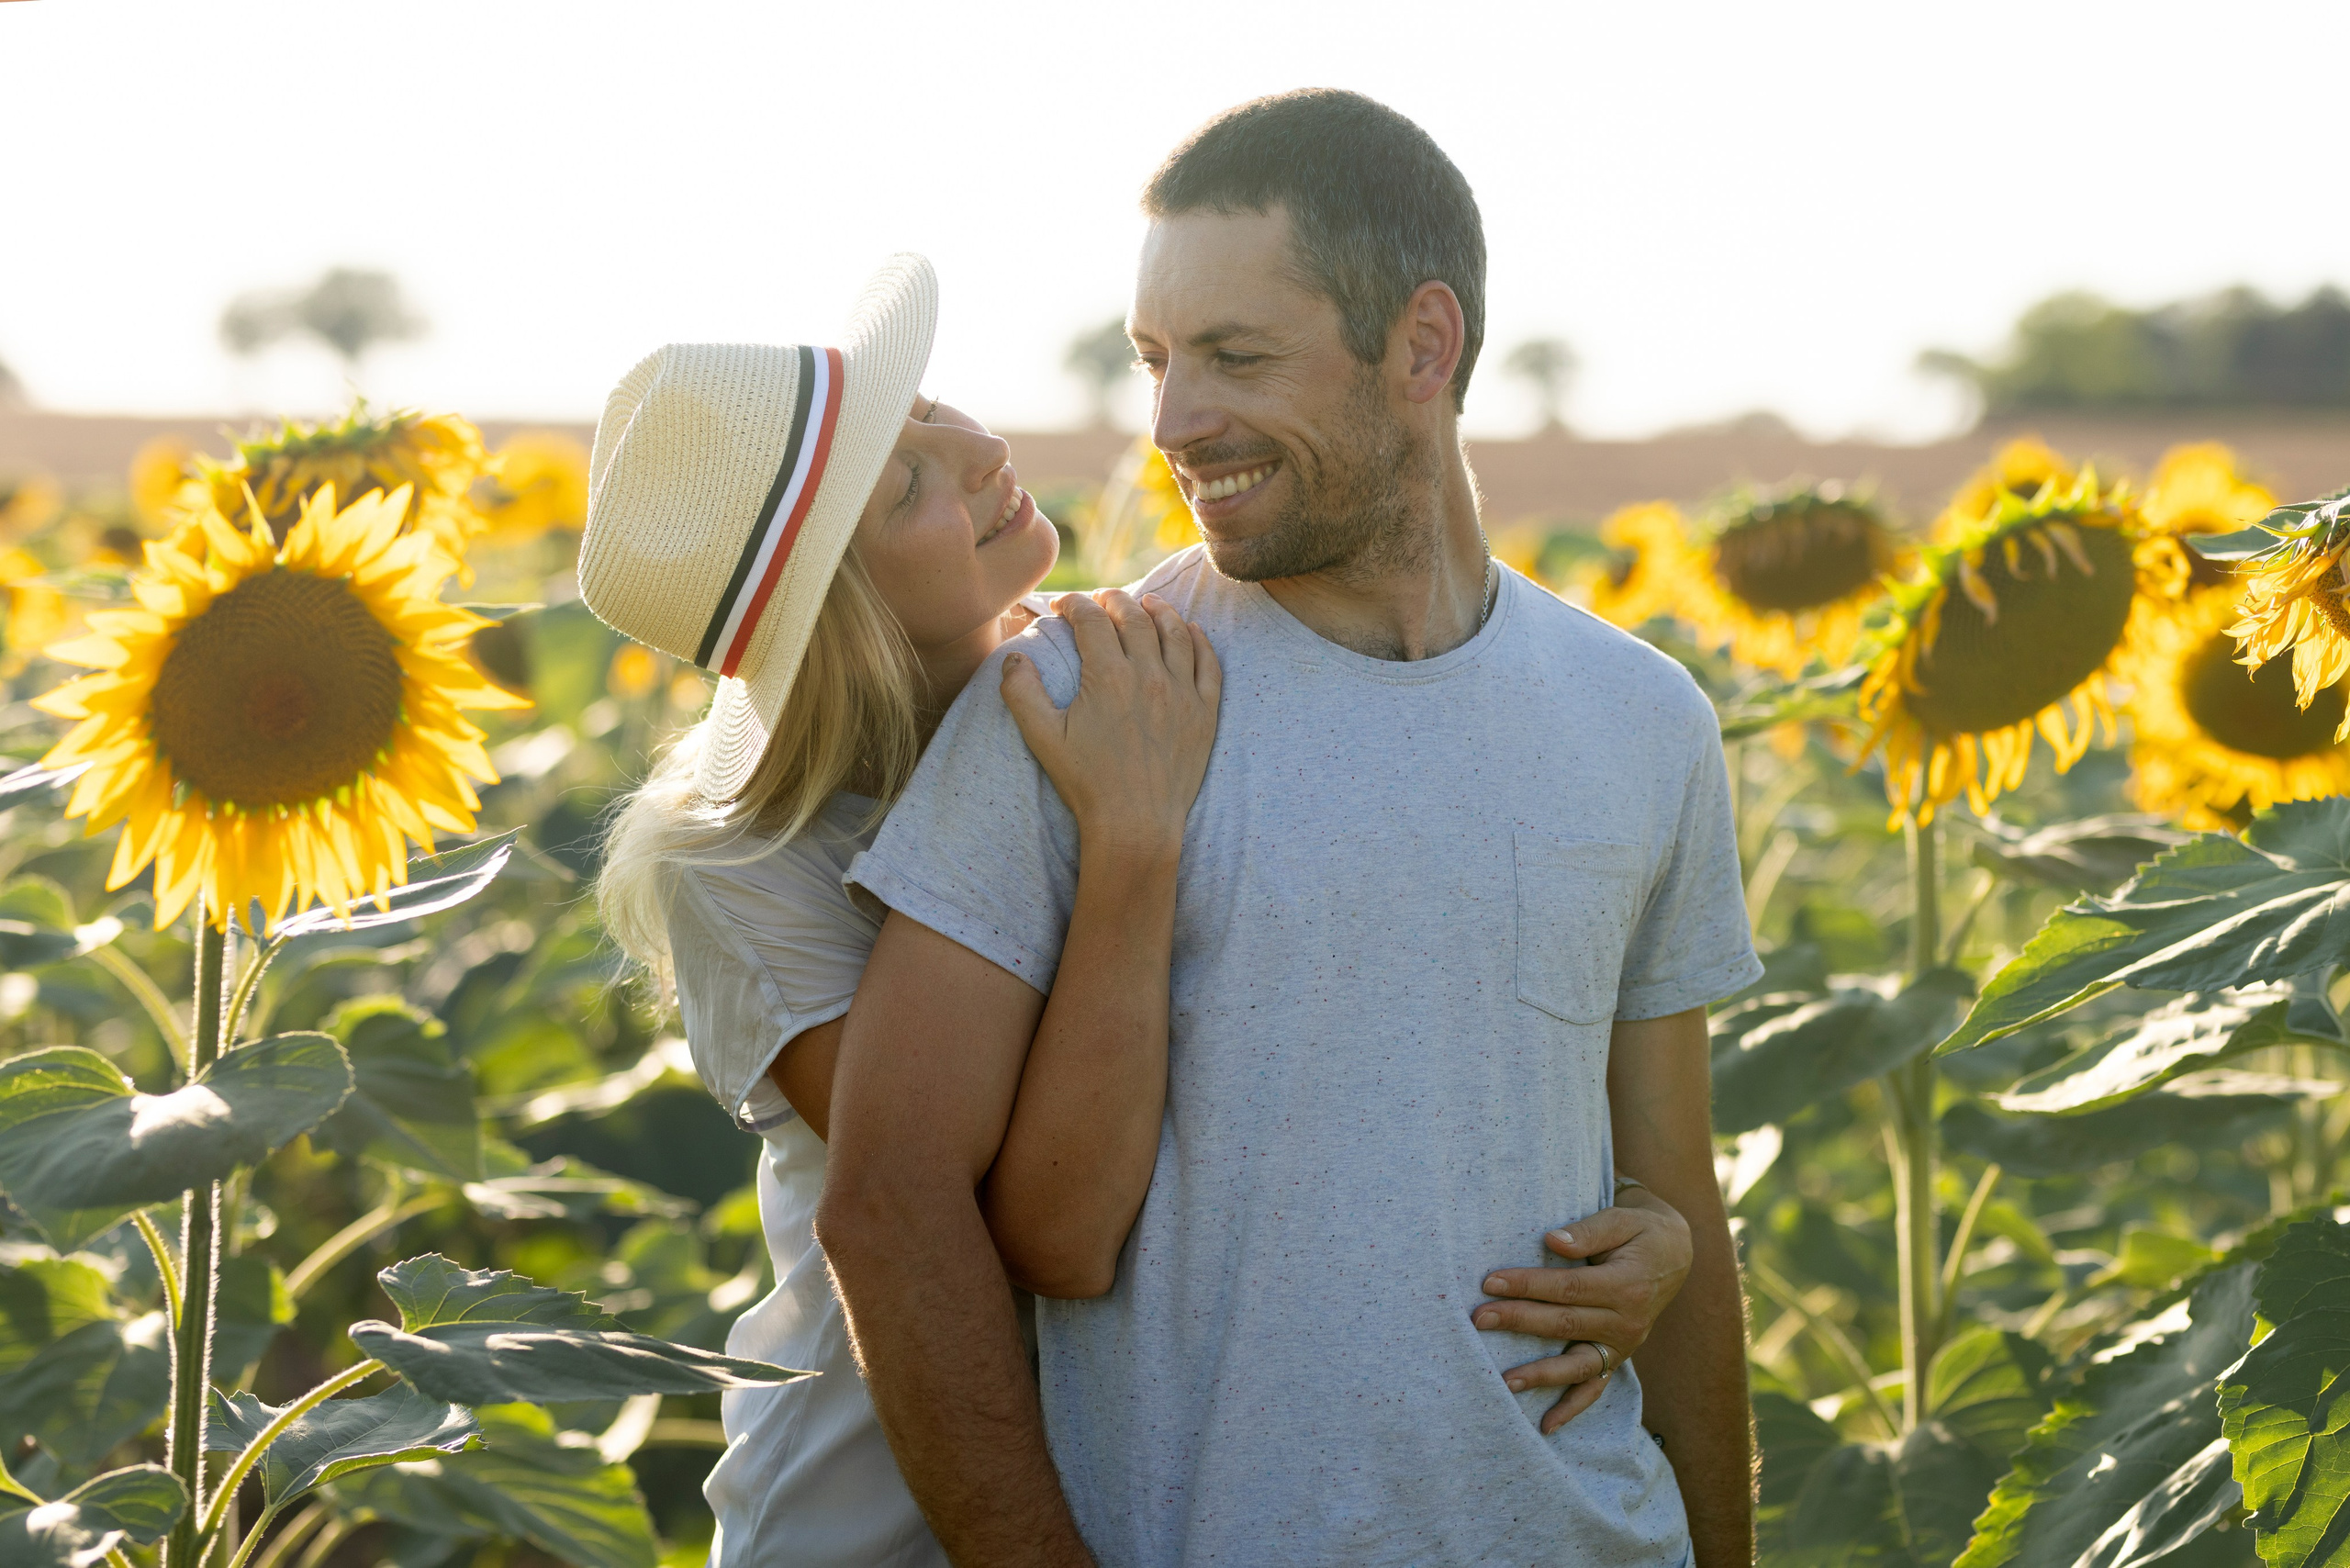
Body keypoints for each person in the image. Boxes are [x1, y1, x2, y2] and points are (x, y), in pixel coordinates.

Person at [583, 256, 1699, 1567]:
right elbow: (1017, 1216)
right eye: (906, 487)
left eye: (931, 412)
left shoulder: (1096, 679)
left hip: (1136, 1473)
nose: (976, 451)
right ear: (845, 620)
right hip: (884, 1497)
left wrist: (1650, 1224)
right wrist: (1127, 850)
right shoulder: (744, 862)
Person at [819, 94, 1759, 1568]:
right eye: (1155, 361)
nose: (1174, 423)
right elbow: (887, 1203)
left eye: (1236, 358)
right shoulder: (1080, 697)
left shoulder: (1644, 719)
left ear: (1423, 348)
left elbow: (1674, 1187)